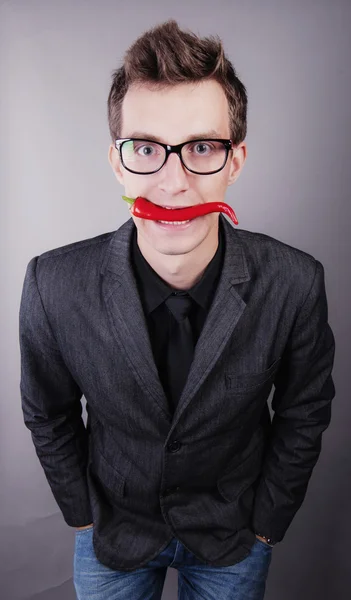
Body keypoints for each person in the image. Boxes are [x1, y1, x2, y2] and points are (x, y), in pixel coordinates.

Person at [19, 19, 336, 600]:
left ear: (235, 160)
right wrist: (83, 519)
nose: (174, 182)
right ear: (117, 162)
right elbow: (48, 414)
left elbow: (304, 413)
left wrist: (265, 527)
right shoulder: (52, 284)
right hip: (111, 535)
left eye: (203, 148)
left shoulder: (295, 282)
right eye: (145, 149)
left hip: (233, 539)